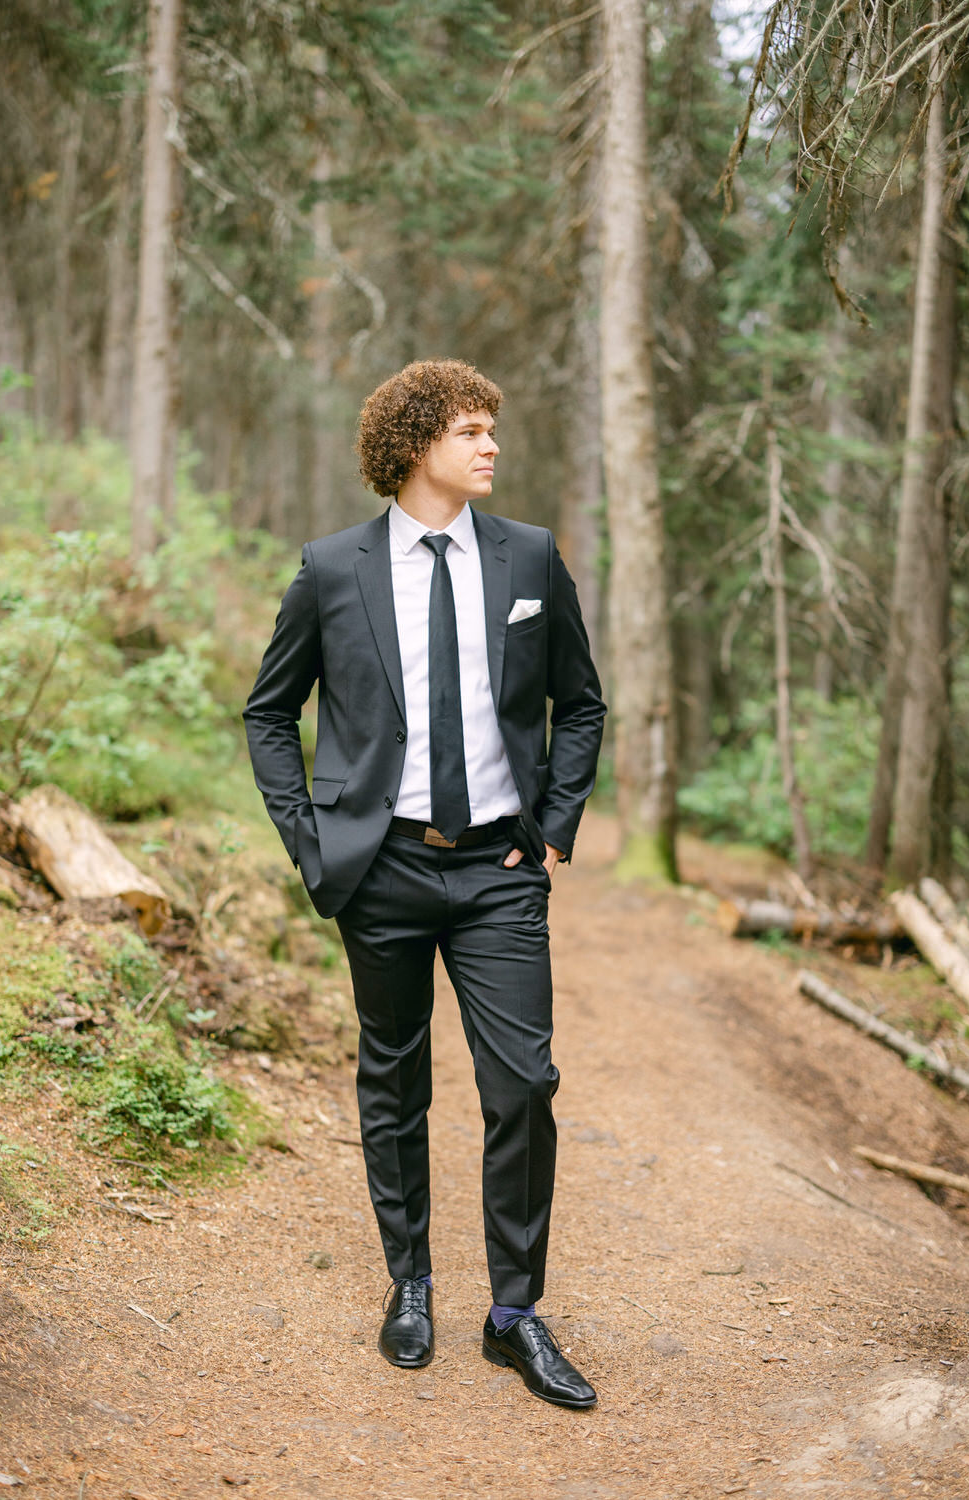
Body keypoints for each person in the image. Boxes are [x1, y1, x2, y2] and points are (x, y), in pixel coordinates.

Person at [243, 358, 606, 1408]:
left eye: (492, 427)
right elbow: (270, 713)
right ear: (412, 448)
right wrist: (313, 846)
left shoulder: (530, 558)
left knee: (523, 1084)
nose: (489, 445)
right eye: (467, 430)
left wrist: (551, 829)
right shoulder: (331, 569)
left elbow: (578, 704)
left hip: (498, 870)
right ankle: (409, 1282)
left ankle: (512, 1315)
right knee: (394, 1084)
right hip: (381, 869)